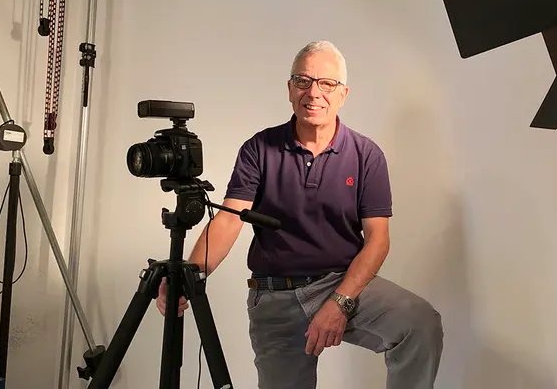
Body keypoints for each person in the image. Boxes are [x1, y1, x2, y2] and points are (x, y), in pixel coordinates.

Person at [157, 40, 444, 388]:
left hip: (341, 284)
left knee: (419, 324)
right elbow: (230, 218)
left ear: (343, 94)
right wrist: (191, 275)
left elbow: (378, 240)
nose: (314, 93)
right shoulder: (259, 148)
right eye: (303, 81)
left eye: (327, 84)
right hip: (274, 294)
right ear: (290, 89)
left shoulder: (366, 155)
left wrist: (340, 302)